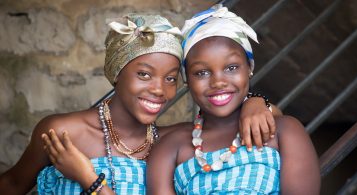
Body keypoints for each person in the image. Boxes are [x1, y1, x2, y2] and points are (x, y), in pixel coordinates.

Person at [0, 13, 278, 194]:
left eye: (170, 78)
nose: (159, 89)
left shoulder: (171, 143)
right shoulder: (63, 133)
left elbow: (256, 119)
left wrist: (256, 102)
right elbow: (12, 185)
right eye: (144, 74)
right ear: (116, 73)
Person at [146, 4, 321, 194]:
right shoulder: (171, 147)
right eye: (201, 72)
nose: (218, 82)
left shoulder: (284, 131)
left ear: (249, 68)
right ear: (187, 79)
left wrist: (257, 101)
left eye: (231, 68)